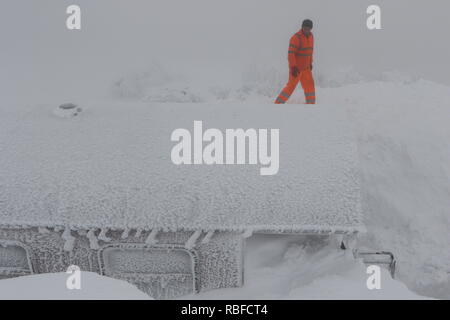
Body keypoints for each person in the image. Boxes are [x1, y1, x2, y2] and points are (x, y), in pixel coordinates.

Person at [275, 19, 315, 104]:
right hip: (296, 69)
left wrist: (310, 63)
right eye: (305, 28)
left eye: (308, 28)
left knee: (310, 86)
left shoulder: (311, 37)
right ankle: (278, 103)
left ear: (311, 28)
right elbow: (291, 54)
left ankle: (311, 105)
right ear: (302, 27)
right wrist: (293, 67)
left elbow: (310, 51)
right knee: (291, 87)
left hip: (306, 69)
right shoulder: (296, 38)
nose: (306, 30)